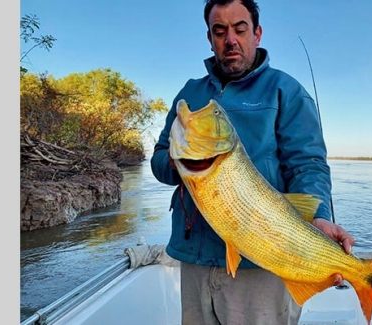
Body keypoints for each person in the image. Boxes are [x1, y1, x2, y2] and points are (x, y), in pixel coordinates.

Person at [150, 0, 355, 324]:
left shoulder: (286, 91)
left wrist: (317, 217)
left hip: (265, 259)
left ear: (257, 33)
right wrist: (181, 163)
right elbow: (160, 156)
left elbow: (308, 165)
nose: (230, 39)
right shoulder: (189, 93)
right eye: (220, 31)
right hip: (194, 259)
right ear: (210, 38)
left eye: (239, 29)